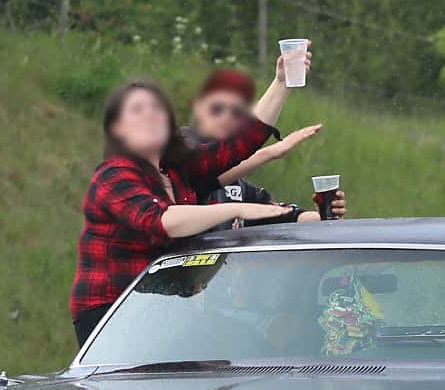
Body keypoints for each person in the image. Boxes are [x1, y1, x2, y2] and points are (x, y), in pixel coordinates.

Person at [69, 53, 307, 345]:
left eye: (157, 109)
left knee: (252, 344)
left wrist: (281, 83)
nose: (150, 115)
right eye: (136, 110)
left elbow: (237, 143)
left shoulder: (177, 168)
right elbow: (161, 222)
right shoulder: (114, 174)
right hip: (112, 311)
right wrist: (238, 208)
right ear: (117, 129)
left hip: (165, 306)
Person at [184, 68, 346, 224]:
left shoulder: (240, 190)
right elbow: (205, 175)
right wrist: (270, 152)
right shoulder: (179, 145)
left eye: (236, 111)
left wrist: (324, 217)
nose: (226, 117)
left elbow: (285, 216)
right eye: (217, 109)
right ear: (198, 110)